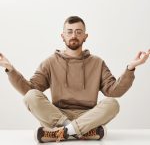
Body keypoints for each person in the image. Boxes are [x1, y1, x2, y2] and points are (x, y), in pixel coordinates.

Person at [0, 16, 149, 143]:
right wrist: (10, 70)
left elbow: (114, 92)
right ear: (62, 36)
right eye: (69, 32)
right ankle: (79, 131)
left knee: (113, 104)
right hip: (57, 115)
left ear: (85, 36)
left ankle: (60, 133)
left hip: (87, 115)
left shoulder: (97, 63)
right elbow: (30, 89)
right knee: (30, 96)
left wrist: (130, 68)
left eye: (78, 32)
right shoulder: (50, 62)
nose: (74, 36)